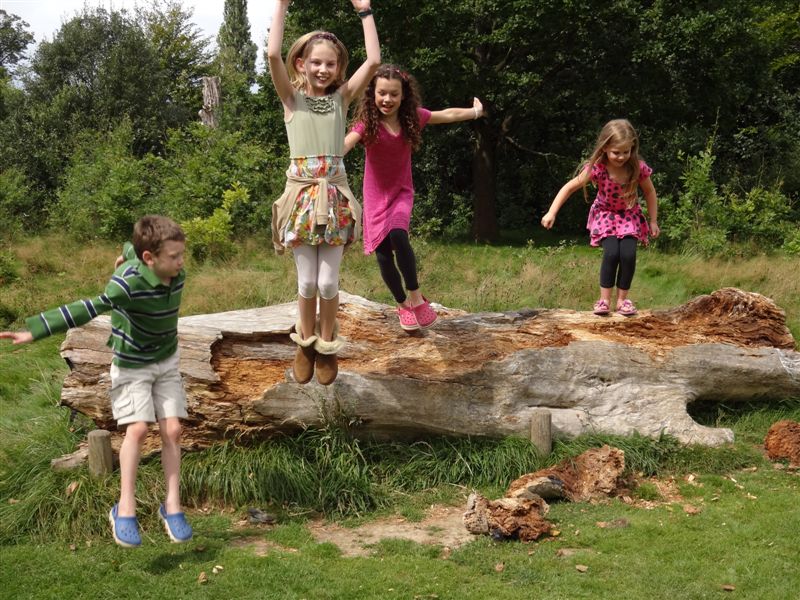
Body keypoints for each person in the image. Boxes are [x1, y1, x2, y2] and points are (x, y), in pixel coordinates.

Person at [0, 215, 193, 548]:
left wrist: (124, 254)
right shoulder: (125, 285)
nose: (181, 262)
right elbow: (87, 307)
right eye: (174, 256)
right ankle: (125, 508)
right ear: (151, 258)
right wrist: (35, 329)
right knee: (137, 429)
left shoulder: (174, 273)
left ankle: (172, 505)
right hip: (133, 365)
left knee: (173, 429)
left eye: (181, 255)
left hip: (166, 360)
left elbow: (130, 250)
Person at [268, 0, 380, 385]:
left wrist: (365, 13)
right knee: (307, 282)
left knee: (329, 282)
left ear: (338, 68)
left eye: (330, 64)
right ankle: (305, 343)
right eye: (316, 62)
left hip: (334, 199)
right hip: (301, 198)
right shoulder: (291, 100)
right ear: (301, 63)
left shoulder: (341, 99)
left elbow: (375, 61)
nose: (323, 69)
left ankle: (327, 342)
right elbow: (271, 53)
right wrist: (282, 4)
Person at [344, 64, 484, 331]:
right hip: (375, 197)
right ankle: (401, 304)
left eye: (394, 94)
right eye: (382, 93)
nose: (387, 100)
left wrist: (476, 112)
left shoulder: (413, 119)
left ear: (403, 96)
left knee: (398, 234)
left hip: (401, 192)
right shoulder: (367, 125)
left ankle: (416, 297)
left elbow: (447, 115)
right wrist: (328, 154)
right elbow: (347, 142)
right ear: (373, 93)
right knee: (383, 255)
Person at [541, 119, 659, 316]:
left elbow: (650, 193)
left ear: (632, 148)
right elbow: (569, 187)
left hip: (629, 217)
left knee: (628, 255)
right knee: (612, 253)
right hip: (605, 216)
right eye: (616, 152)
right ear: (605, 148)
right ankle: (604, 300)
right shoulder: (597, 168)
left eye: (626, 152)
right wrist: (551, 212)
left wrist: (653, 220)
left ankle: (622, 301)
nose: (621, 157)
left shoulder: (637, 168)